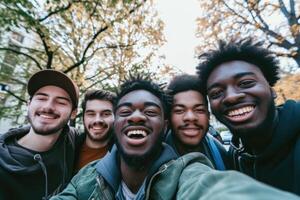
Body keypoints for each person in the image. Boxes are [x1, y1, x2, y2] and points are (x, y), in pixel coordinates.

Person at [51, 75, 299, 200]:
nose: (137, 117)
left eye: (150, 111)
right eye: (125, 111)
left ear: (163, 125)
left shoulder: (190, 169)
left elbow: (213, 188)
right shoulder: (85, 178)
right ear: (114, 123)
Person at [197, 38, 300, 195]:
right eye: (216, 93)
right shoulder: (235, 156)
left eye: (246, 83)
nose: (231, 97)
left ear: (272, 90)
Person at [0, 69, 79, 200]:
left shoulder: (71, 139)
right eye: (42, 98)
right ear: (28, 104)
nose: (48, 107)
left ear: (73, 113)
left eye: (61, 102)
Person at [166, 74, 227, 170]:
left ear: (208, 115)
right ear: (168, 117)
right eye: (179, 110)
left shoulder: (220, 152)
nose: (190, 117)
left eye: (199, 110)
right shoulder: (153, 159)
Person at [74, 90, 115, 172]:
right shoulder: (67, 149)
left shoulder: (124, 156)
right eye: (91, 114)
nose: (97, 120)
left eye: (106, 114)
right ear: (83, 117)